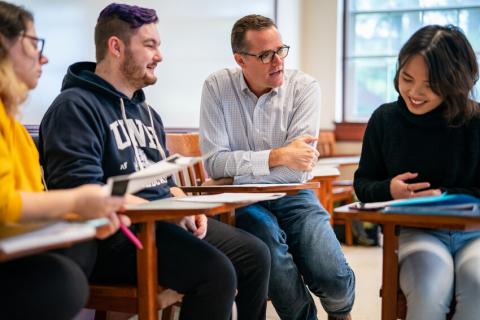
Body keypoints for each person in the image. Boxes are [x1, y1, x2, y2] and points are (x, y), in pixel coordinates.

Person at [39, 4, 270, 320]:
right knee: (217, 273)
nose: (159, 55)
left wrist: (188, 210)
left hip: (160, 223)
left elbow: (166, 183)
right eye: (150, 45)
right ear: (116, 47)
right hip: (115, 235)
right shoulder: (74, 107)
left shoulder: (148, 114)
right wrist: (164, 213)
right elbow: (81, 192)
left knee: (256, 254)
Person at [200, 14, 355, 320]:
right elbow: (215, 163)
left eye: (281, 50)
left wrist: (238, 168)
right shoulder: (217, 87)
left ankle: (341, 312)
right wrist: (278, 156)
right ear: (240, 60)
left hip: (293, 193)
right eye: (265, 55)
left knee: (332, 274)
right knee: (270, 250)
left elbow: (298, 169)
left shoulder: (304, 87)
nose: (278, 61)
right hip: (242, 200)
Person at [0, 2, 127, 319]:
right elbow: (5, 208)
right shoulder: (72, 106)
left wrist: (84, 219)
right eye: (33, 44)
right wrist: (79, 200)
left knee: (75, 258)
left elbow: (26, 209)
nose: (43, 57)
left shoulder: (13, 127)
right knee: (61, 281)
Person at [354, 24, 480, 320]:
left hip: (475, 233)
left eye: (430, 84)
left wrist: (448, 195)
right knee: (428, 288)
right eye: (406, 78)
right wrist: (390, 190)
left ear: (455, 82)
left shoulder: (475, 122)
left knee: (477, 285)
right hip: (416, 231)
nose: (414, 92)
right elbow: (363, 183)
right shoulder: (385, 120)